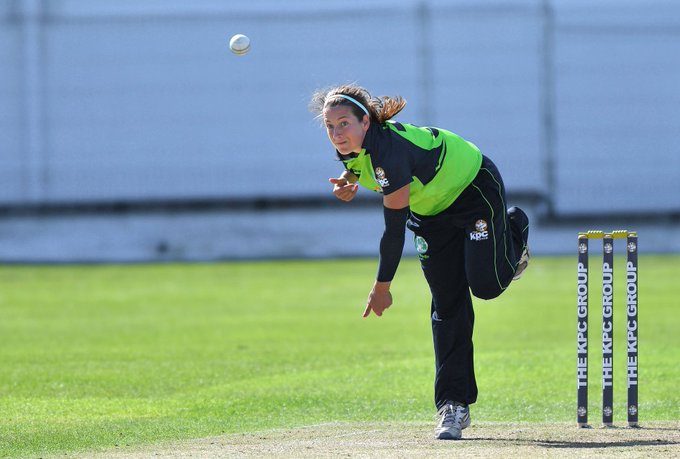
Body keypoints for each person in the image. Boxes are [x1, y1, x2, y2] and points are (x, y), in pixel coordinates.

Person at [309, 84, 530, 440]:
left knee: (486, 285)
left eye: (344, 124)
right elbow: (356, 162)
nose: (337, 134)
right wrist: (350, 180)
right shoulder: (350, 145)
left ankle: (515, 226)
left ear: (366, 122)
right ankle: (453, 405)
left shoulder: (389, 155)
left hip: (472, 189)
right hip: (431, 214)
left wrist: (382, 288)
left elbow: (393, 232)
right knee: (447, 304)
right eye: (330, 126)